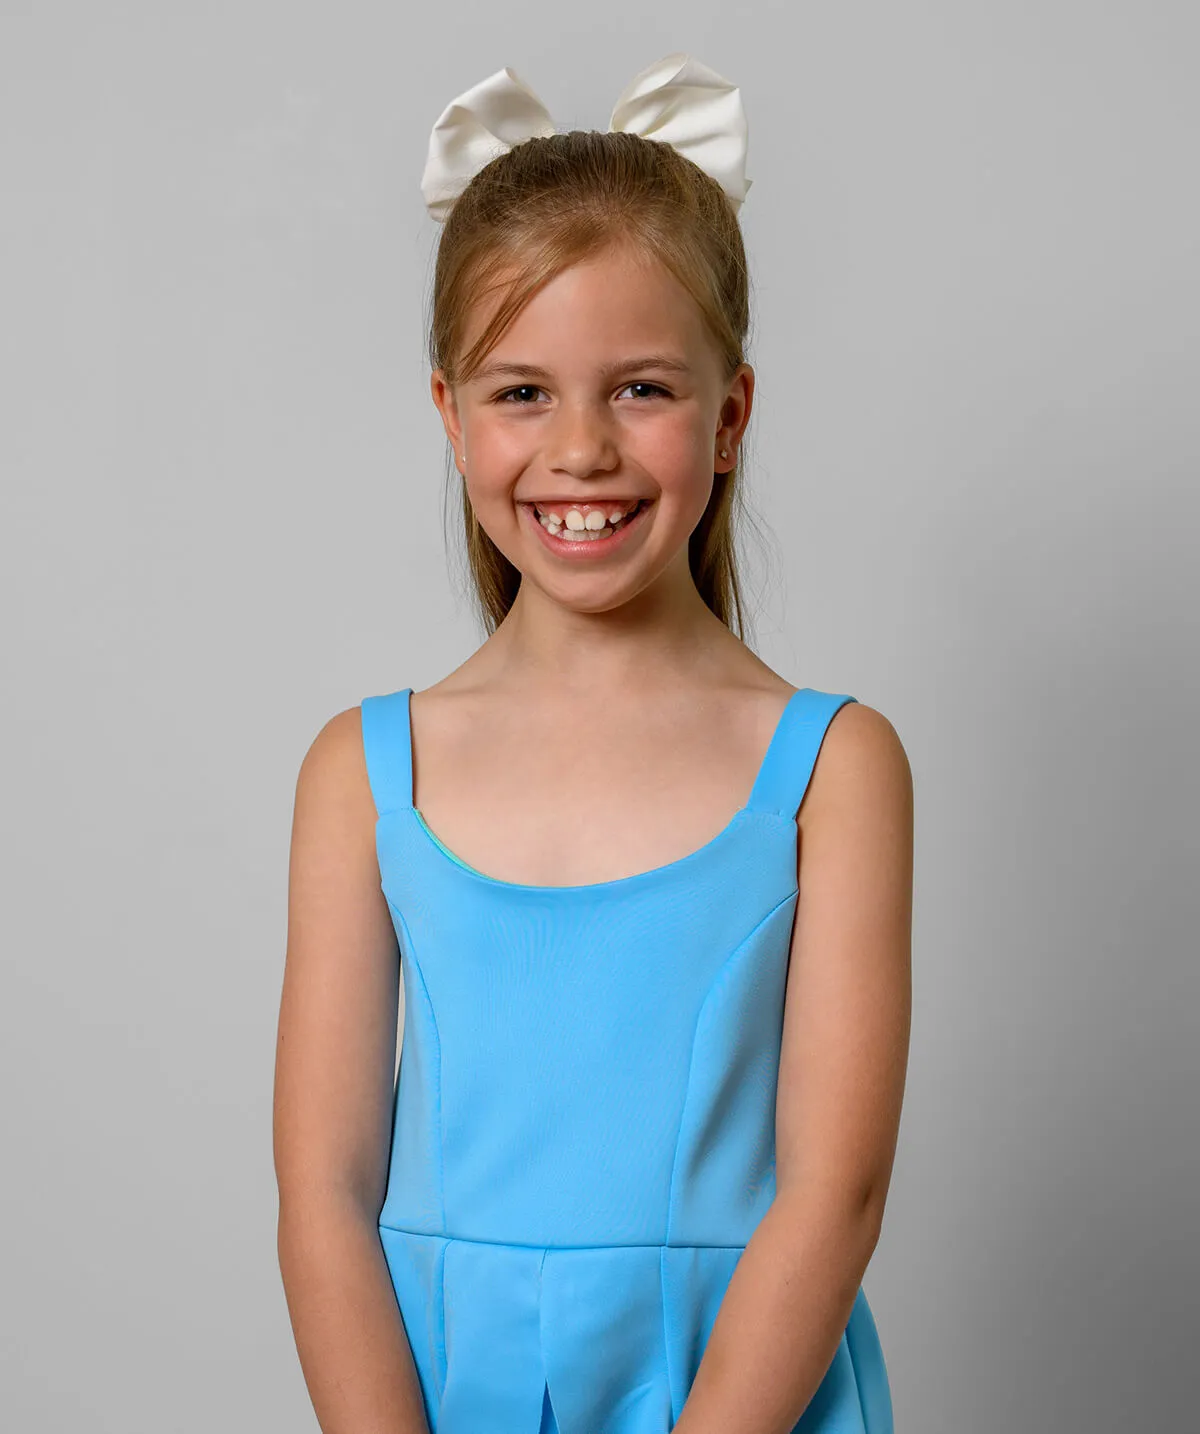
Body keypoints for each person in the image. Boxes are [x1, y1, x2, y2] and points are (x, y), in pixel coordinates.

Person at [274, 53, 913, 1434]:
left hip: (740, 1394)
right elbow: (324, 1190)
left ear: (730, 414)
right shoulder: (364, 773)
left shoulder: (833, 771)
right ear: (450, 416)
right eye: (521, 393)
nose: (580, 450)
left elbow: (836, 1188)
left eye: (639, 389)